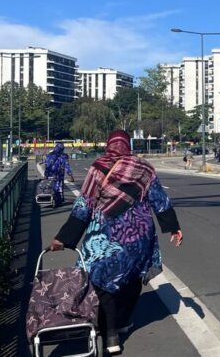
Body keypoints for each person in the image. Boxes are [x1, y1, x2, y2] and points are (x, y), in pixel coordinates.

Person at [51, 130, 183, 355]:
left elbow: (84, 206)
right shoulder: (144, 169)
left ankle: (111, 333)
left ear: (109, 145)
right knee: (131, 278)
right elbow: (159, 199)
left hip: (105, 235)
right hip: (138, 235)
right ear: (128, 145)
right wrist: (173, 227)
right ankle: (122, 322)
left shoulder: (98, 167)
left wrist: (64, 238)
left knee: (102, 282)